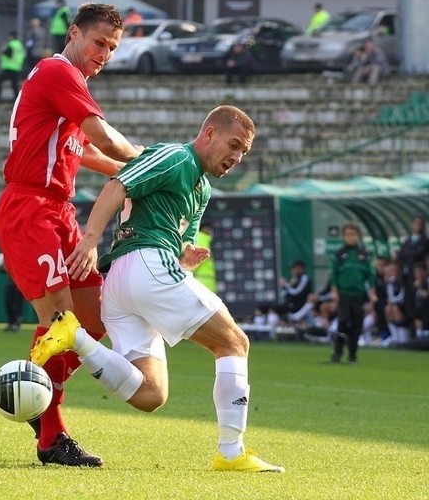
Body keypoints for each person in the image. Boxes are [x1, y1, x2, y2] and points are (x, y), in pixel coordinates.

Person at [31, 105, 284, 472]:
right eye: (233, 145)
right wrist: (90, 237)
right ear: (209, 133)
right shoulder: (175, 155)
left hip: (126, 282)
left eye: (243, 152)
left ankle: (75, 337)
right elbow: (119, 184)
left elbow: (177, 238)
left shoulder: (201, 188)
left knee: (151, 394)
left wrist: (186, 257)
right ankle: (231, 452)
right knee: (234, 342)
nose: (236, 157)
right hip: (143, 264)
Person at [0, 2, 143, 467]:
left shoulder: (63, 94)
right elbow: (104, 139)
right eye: (100, 43)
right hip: (30, 208)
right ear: (74, 33)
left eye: (113, 48)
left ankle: (35, 386)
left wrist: (134, 174)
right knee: (62, 322)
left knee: (95, 320)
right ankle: (51, 437)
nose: (105, 54)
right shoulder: (60, 73)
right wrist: (155, 161)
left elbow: (87, 155)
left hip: (59, 212)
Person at [330, 222, 377, 364]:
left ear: (358, 236)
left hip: (358, 295)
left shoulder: (364, 254)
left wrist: (373, 293)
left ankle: (352, 354)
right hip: (344, 294)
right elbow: (334, 274)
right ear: (343, 236)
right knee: (343, 321)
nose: (351, 237)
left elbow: (370, 276)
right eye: (348, 234)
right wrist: (334, 291)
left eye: (354, 234)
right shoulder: (339, 254)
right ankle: (337, 352)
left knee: (357, 324)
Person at [0, 252, 25, 332]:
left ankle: (16, 323)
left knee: (16, 304)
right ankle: (10, 323)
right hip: (12, 281)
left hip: (19, 282)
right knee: (8, 303)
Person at [0, 31, 25, 103]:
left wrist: (2, 51)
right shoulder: (19, 45)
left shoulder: (11, 44)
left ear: (11, 36)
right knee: (14, 85)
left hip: (9, 67)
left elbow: (9, 54)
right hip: (17, 67)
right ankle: (17, 99)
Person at [190, 223, 216, 292]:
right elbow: (200, 256)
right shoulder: (202, 237)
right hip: (203, 280)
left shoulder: (200, 238)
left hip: (203, 279)